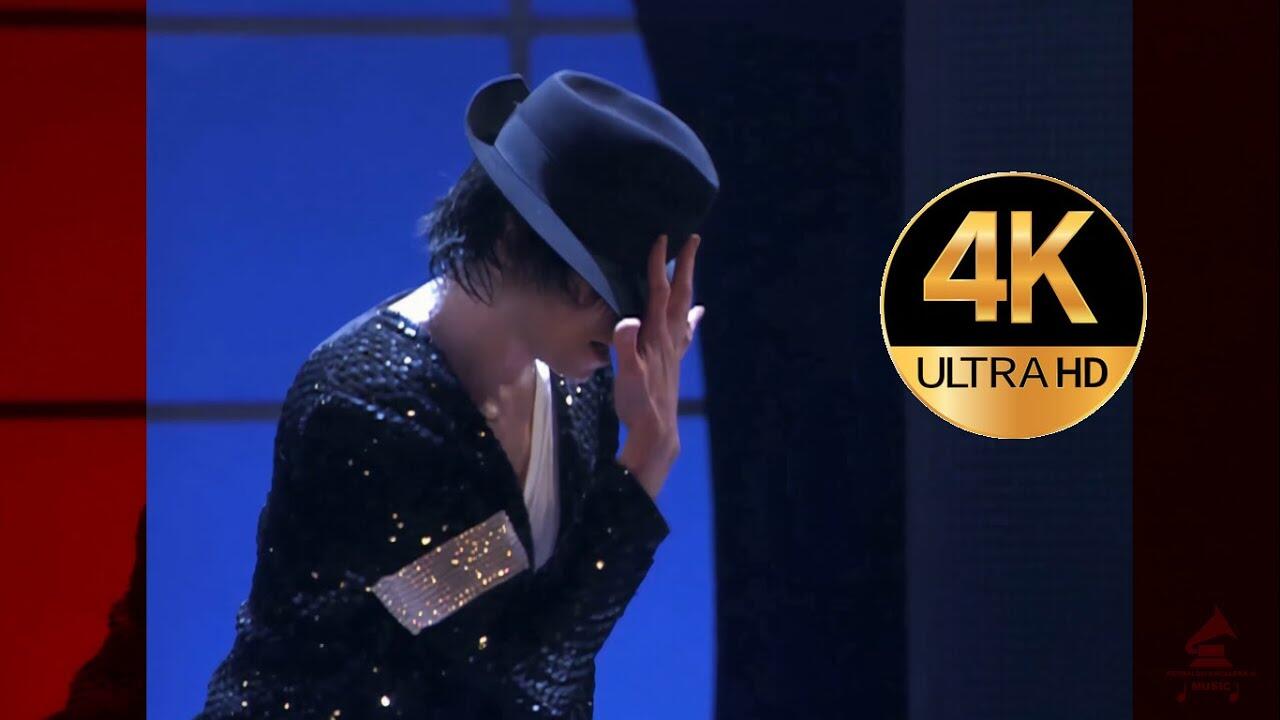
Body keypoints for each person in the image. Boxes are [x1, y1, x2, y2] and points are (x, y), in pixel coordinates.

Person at [195, 69, 718, 718]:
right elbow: (504, 672)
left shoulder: (576, 386)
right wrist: (644, 463)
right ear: (511, 237)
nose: (620, 323)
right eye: (595, 284)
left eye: (637, 295)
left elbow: (554, 649)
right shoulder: (369, 408)